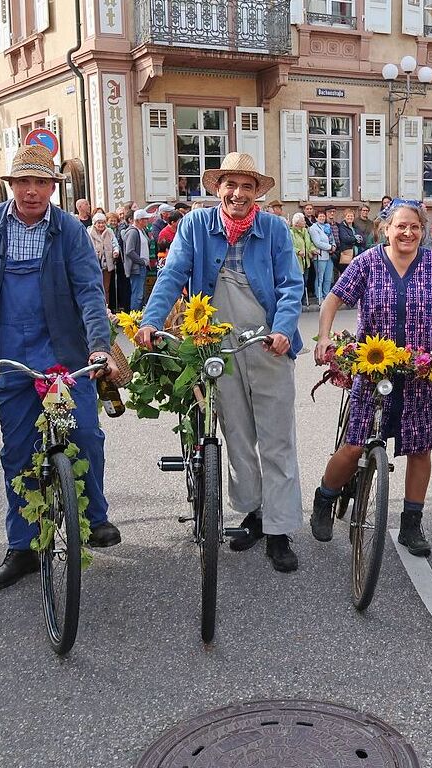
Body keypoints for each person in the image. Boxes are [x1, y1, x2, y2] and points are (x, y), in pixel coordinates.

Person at [0, 144, 122, 590]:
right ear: (11, 185)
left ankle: (95, 516)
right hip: (10, 355)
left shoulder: (70, 231)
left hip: (63, 351)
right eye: (24, 182)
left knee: (83, 433)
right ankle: (21, 547)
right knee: (17, 452)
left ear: (52, 189)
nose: (32, 191)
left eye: (41, 183)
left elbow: (89, 292)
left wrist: (99, 347)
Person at [135, 152, 304, 573]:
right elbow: (173, 274)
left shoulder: (274, 229)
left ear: (257, 193)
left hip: (268, 342)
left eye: (248, 186)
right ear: (217, 188)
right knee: (237, 435)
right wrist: (151, 321)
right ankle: (253, 514)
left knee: (277, 438)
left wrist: (283, 329)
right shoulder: (195, 226)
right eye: (231, 184)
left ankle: (280, 529)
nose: (238, 194)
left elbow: (290, 284)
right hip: (215, 344)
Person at [312, 200, 432, 556]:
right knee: (354, 445)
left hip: (422, 370)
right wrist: (324, 336)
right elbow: (332, 299)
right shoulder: (367, 263)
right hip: (374, 367)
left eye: (414, 227)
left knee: (420, 448)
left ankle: (412, 523)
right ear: (386, 229)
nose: (407, 233)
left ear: (422, 231)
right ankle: (325, 498)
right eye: (400, 226)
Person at [122, 209, 152, 310]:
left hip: (142, 267)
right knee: (137, 295)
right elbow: (129, 251)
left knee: (141, 294)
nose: (147, 221)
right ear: (139, 220)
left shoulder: (141, 231)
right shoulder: (133, 232)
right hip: (137, 268)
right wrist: (141, 261)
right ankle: (133, 319)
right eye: (145, 219)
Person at [88, 210, 120, 302]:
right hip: (95, 264)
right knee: (96, 288)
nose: (101, 225)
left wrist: (116, 251)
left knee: (106, 288)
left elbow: (115, 243)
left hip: (107, 264)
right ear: (94, 223)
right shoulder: (89, 232)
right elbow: (87, 247)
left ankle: (106, 309)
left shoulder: (109, 231)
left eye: (102, 223)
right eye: (99, 223)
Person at [289, 212, 314, 305]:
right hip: (297, 262)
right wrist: (298, 251)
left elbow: (309, 243)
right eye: (303, 220)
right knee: (298, 282)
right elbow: (289, 246)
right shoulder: (291, 232)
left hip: (305, 261)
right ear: (297, 223)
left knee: (305, 281)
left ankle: (303, 299)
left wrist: (312, 250)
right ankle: (296, 300)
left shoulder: (305, 231)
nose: (304, 222)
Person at [310, 210, 334, 305]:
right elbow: (317, 242)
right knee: (320, 277)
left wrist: (334, 245)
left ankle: (326, 295)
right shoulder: (313, 228)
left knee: (328, 277)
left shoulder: (327, 227)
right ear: (316, 218)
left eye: (323, 216)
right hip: (320, 255)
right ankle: (319, 297)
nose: (322, 218)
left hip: (329, 255)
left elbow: (331, 238)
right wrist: (329, 247)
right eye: (320, 216)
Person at [336, 208, 361, 272]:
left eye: (352, 216)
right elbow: (345, 239)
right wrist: (355, 238)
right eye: (348, 216)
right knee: (346, 273)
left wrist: (359, 239)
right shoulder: (342, 227)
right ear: (344, 217)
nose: (350, 217)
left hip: (356, 254)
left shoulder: (355, 227)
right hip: (347, 254)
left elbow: (361, 238)